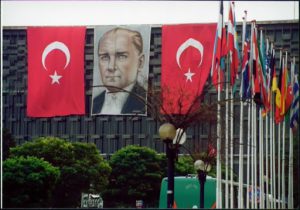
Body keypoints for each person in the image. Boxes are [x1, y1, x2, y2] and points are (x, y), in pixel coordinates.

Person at [92, 27, 147, 115]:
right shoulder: (94, 103)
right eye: (105, 57)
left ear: (140, 62)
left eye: (121, 57)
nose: (111, 67)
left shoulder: (147, 103)